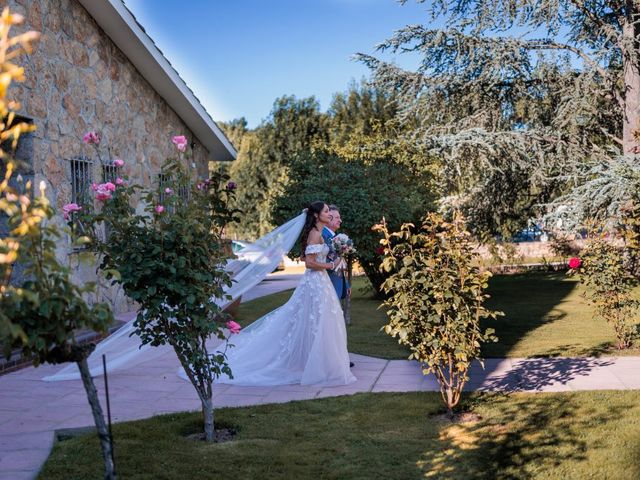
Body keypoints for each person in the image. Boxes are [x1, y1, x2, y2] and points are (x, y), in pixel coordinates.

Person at [216, 201, 356, 386]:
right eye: (326, 211)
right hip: (315, 283)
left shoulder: (318, 233)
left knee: (319, 320)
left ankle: (320, 361)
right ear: (316, 215)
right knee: (314, 319)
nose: (330, 214)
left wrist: (337, 257)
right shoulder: (314, 234)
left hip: (321, 283)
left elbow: (305, 256)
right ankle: (311, 362)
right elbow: (309, 263)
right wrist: (330, 265)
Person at [322, 205, 351, 300]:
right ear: (328, 218)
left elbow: (338, 260)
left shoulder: (335, 237)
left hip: (337, 284)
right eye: (337, 218)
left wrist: (345, 285)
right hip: (327, 284)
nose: (340, 220)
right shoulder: (322, 236)